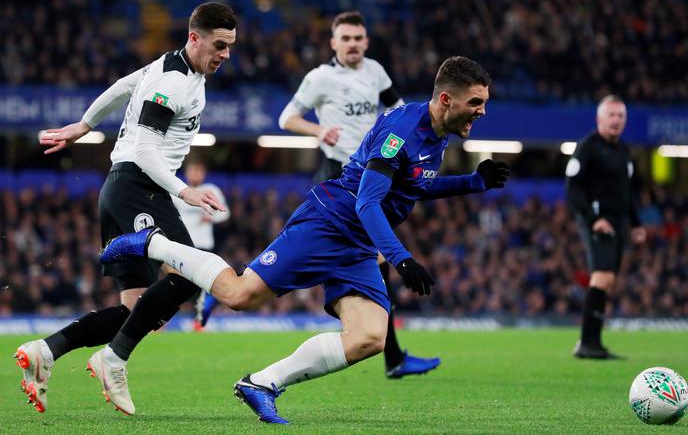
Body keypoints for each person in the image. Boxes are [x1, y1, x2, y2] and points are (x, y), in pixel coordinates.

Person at [99, 56, 510, 424]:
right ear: (444, 100)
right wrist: (400, 259)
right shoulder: (402, 130)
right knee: (242, 296)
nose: (483, 111)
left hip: (358, 244)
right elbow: (368, 203)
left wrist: (473, 182)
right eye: (475, 102)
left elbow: (413, 187)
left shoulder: (436, 137)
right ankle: (152, 242)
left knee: (370, 337)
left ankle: (261, 384)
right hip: (331, 222)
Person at [14, 2, 236, 414]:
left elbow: (121, 85)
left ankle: (47, 350)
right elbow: (148, 150)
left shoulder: (170, 67)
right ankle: (112, 361)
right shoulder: (174, 83)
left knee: (136, 310)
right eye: (219, 45)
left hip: (120, 189)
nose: (225, 55)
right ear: (195, 37)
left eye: (230, 47)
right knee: (188, 276)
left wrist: (85, 124)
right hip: (141, 188)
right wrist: (183, 190)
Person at [276, 10, 437, 378]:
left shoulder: (375, 72)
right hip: (339, 174)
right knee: (372, 259)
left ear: (366, 41)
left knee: (377, 261)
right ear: (334, 42)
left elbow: (400, 110)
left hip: (373, 174)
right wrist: (317, 131)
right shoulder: (320, 78)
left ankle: (390, 352)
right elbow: (286, 118)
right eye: (345, 38)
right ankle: (388, 352)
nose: (352, 44)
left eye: (357, 38)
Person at [566, 94, 647, 359]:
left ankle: (593, 343)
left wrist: (635, 223)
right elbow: (574, 188)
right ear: (600, 118)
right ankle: (587, 344)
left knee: (608, 281)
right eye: (611, 115)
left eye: (620, 116)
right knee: (602, 277)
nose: (616, 120)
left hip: (618, 221)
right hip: (597, 221)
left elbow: (627, 192)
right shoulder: (588, 147)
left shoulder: (623, 151)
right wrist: (593, 219)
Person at [169, 158, 230, 331]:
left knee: (202, 285)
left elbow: (224, 214)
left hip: (203, 244)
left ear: (203, 172)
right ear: (187, 172)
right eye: (192, 170)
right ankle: (162, 320)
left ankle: (199, 321)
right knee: (176, 282)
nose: (195, 174)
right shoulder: (178, 189)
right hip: (183, 244)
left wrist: (211, 217)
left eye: (199, 170)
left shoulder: (210, 190)